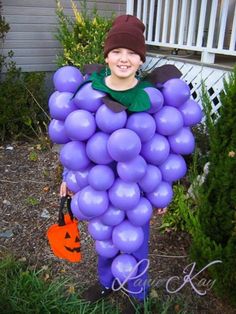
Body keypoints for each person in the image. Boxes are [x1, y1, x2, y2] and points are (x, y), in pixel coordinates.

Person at [59, 14, 176, 314]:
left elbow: (161, 148)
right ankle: (106, 281)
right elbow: (76, 143)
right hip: (99, 185)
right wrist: (68, 177)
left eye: (132, 53)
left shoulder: (151, 97)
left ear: (141, 59)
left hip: (135, 186)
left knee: (136, 240)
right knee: (105, 233)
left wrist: (159, 191)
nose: (124, 58)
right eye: (117, 51)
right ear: (107, 56)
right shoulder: (90, 92)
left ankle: (137, 293)